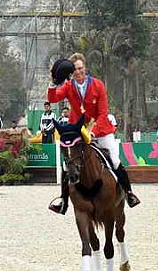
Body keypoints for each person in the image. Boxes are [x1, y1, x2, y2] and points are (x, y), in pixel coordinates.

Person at [46, 52, 140, 214]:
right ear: (71, 72)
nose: (78, 72)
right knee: (68, 164)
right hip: (78, 130)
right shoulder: (68, 86)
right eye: (75, 70)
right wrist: (53, 83)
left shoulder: (98, 85)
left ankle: (129, 193)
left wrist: (93, 132)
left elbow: (103, 113)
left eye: (81, 68)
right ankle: (63, 200)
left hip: (101, 130)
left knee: (115, 160)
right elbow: (53, 98)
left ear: (85, 68)